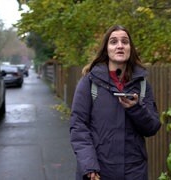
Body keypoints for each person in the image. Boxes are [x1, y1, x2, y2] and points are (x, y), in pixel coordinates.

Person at [69, 25, 161, 180]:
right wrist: (89, 165)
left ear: (130, 48)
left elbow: (152, 127)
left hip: (134, 171)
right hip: (98, 171)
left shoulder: (142, 85)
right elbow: (78, 127)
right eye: (113, 42)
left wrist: (136, 109)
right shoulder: (89, 83)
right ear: (106, 49)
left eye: (125, 42)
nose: (120, 45)